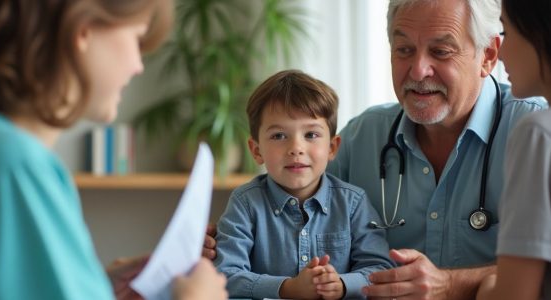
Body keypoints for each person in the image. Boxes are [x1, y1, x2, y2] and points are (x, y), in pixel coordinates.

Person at [204, 0, 548, 298]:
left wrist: (452, 284)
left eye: (440, 51)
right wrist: (222, 242)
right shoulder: (363, 135)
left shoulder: (536, 131)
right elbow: (294, 215)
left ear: (488, 55)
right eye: (404, 50)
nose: (418, 70)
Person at [0, 0, 227, 300]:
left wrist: (95, 282)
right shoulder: (12, 167)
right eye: (136, 38)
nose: (137, 66)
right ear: (83, 28)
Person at [213, 70, 395, 299]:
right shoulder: (245, 203)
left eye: (310, 134)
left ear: (332, 147)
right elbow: (224, 276)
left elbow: (380, 269)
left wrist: (342, 284)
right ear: (256, 150)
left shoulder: (353, 203)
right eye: (279, 136)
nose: (296, 148)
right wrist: (287, 288)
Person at [475, 0, 551, 299]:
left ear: (539, 32)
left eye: (507, 31)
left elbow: (514, 295)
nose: (500, 51)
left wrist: (485, 289)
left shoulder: (538, 134)